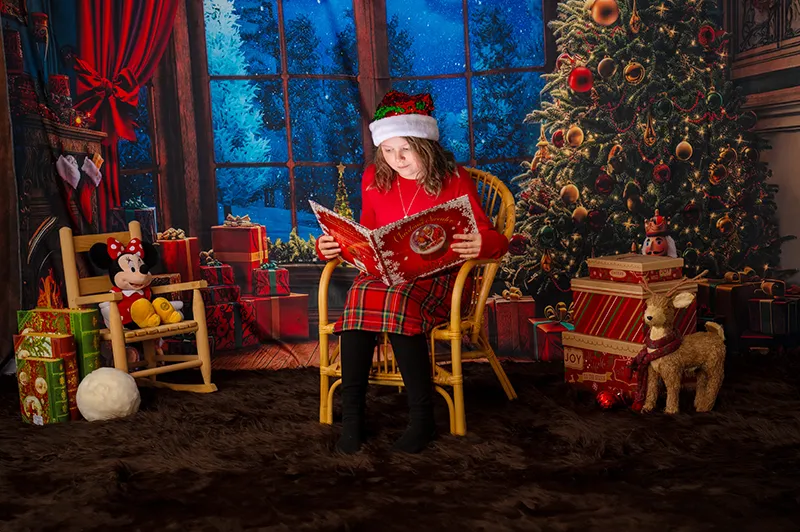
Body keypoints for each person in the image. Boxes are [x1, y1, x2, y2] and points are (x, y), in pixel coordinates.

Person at [316, 90, 509, 454]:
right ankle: (353, 417)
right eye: (387, 151)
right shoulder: (376, 177)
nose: (397, 159)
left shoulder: (453, 177)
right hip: (387, 276)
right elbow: (367, 233)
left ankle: (422, 421)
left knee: (397, 297)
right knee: (361, 294)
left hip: (440, 278)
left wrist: (480, 245)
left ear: (425, 143)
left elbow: (491, 236)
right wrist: (334, 246)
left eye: (405, 149)